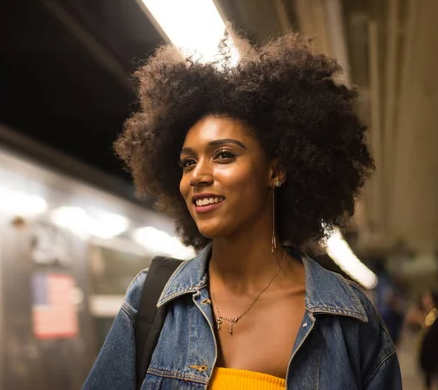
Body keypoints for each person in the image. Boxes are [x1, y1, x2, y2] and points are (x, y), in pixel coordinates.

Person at [83, 32, 401, 389]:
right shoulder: (152, 300)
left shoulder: (350, 319)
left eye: (224, 155)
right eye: (188, 162)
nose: (198, 176)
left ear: (275, 171)